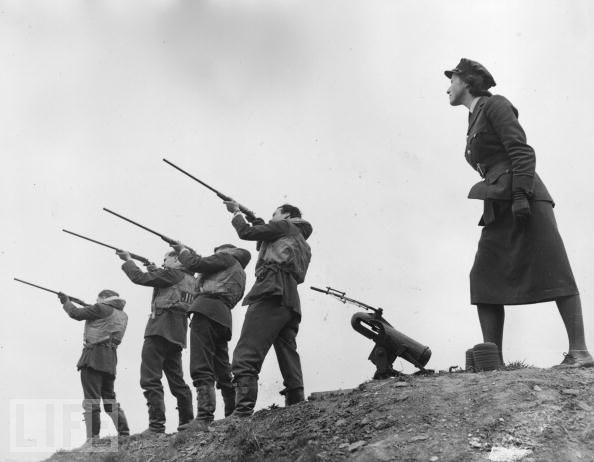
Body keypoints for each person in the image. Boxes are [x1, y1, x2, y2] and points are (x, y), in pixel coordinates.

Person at [444, 58, 594, 368]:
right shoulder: (473, 118)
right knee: (483, 275)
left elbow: (522, 151)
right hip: (499, 203)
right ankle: (492, 360)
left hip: (524, 199)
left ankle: (579, 352)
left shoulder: (495, 105)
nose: (448, 86)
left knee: (555, 269)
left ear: (468, 82)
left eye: (453, 79)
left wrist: (521, 195)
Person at [223, 201, 313, 417]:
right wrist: (255, 218)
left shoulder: (284, 226)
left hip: (270, 290)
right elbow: (267, 236)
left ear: (287, 216)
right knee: (287, 351)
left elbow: (246, 233)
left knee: (247, 351)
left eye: (275, 214)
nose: (272, 217)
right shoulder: (299, 237)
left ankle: (242, 410)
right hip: (290, 298)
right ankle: (296, 403)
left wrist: (236, 213)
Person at [170, 242, 251, 429]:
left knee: (201, 364)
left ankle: (204, 417)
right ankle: (232, 413)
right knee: (222, 366)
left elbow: (195, 264)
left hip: (205, 311)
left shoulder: (225, 257)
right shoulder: (238, 268)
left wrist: (182, 250)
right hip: (223, 315)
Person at [117, 250, 196, 433]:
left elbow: (139, 278)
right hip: (177, 334)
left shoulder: (172, 274)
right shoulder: (191, 279)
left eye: (165, 259)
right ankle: (187, 421)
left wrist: (128, 260)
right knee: (177, 381)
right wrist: (153, 268)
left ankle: (156, 426)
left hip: (159, 329)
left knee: (150, 379)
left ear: (177, 260)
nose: (163, 262)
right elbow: (169, 286)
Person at [59, 289, 130, 443]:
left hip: (93, 358)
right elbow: (103, 320)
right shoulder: (122, 315)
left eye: (98, 299)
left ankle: (93, 438)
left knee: (91, 400)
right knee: (110, 399)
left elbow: (76, 314)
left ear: (104, 298)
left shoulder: (100, 308)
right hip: (110, 359)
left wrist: (66, 302)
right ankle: (124, 433)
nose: (96, 302)